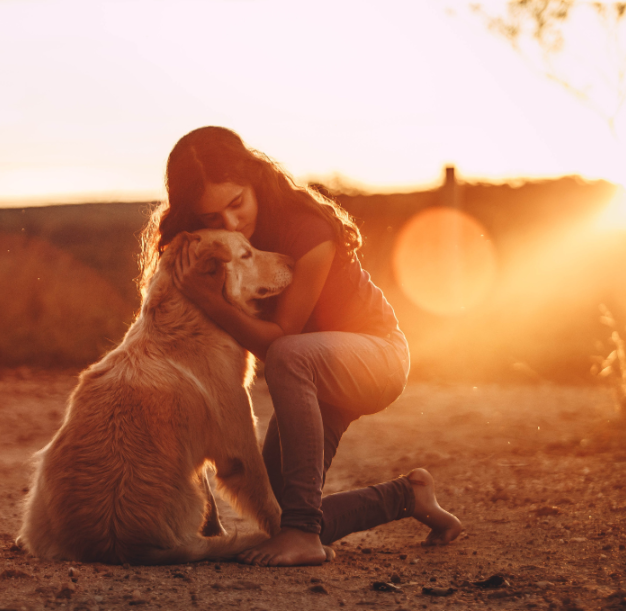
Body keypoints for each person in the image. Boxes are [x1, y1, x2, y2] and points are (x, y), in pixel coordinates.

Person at [138, 126, 463, 567]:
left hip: (375, 356)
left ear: (254, 178)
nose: (231, 224)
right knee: (277, 512)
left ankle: (303, 537)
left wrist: (209, 300)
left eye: (237, 203)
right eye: (213, 217)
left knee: (291, 355)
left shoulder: (307, 229)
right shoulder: (208, 245)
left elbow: (280, 341)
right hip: (312, 371)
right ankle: (408, 497)